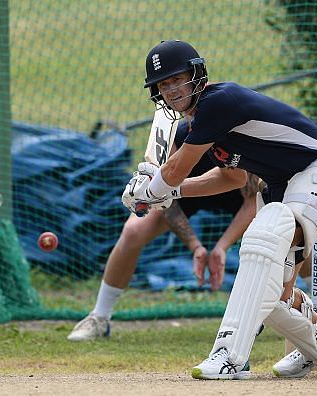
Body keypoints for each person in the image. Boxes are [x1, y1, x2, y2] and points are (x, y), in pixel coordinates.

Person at [122, 40, 317, 380]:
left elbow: (173, 171)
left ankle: (229, 356)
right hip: (282, 186)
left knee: (266, 231)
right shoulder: (201, 126)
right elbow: (231, 178)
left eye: (178, 79)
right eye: (164, 84)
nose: (171, 90)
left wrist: (153, 190)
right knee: (273, 291)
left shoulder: (219, 101)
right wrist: (166, 192)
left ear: (197, 74)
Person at [67, 121, 259, 341]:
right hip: (184, 191)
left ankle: (303, 309)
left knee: (289, 234)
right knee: (133, 230)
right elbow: (159, 194)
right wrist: (195, 246)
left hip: (238, 193)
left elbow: (252, 201)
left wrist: (221, 247)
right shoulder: (171, 137)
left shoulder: (237, 133)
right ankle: (99, 317)